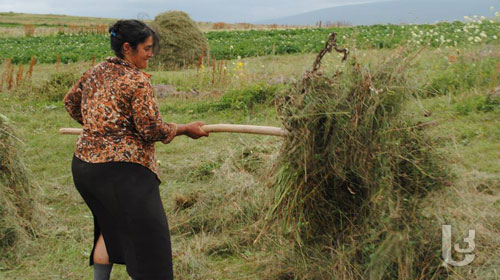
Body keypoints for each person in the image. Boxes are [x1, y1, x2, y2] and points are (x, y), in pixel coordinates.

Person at [63, 19, 208, 280]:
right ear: (128, 48)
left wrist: (99, 128)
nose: (151, 54)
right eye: (147, 48)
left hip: (84, 168)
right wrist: (185, 128)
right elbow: (150, 129)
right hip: (121, 174)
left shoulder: (95, 71)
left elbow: (71, 103)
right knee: (151, 244)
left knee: (110, 227)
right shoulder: (137, 81)